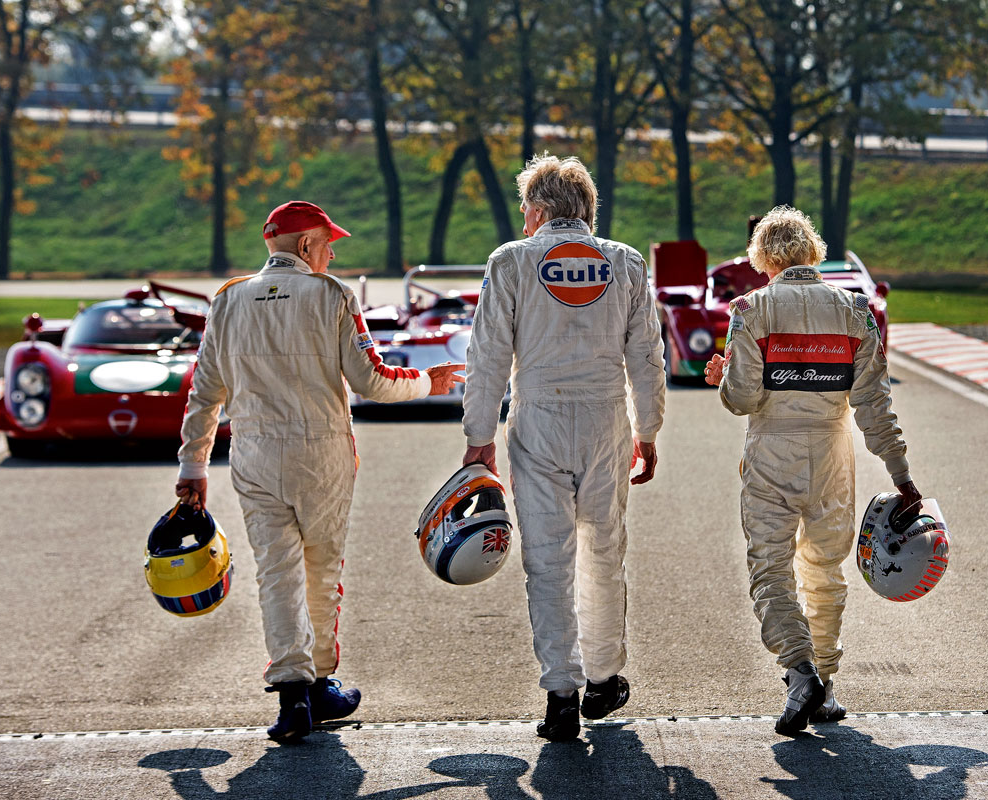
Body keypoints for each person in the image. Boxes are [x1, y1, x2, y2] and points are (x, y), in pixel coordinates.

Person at [175, 200, 465, 743]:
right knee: (322, 569)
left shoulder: (228, 300)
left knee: (276, 572)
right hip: (321, 450)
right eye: (327, 243)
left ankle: (292, 695)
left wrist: (193, 464)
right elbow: (373, 380)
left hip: (253, 451)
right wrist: (430, 381)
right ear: (306, 245)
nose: (331, 253)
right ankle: (320, 683)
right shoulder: (332, 295)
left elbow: (204, 391)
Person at [462, 154, 666, 741]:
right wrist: (648, 429)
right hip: (607, 420)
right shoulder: (624, 263)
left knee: (547, 562)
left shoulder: (511, 262)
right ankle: (604, 677)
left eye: (528, 210)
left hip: (539, 419)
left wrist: (478, 438)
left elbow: (487, 357)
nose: (525, 221)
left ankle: (560, 694)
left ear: (544, 210)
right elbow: (647, 356)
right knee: (603, 553)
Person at [704, 205, 922, 736]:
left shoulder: (751, 308)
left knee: (772, 570)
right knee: (824, 570)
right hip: (833, 453)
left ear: (761, 258)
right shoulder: (854, 309)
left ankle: (799, 673)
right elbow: (874, 403)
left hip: (770, 454)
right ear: (813, 252)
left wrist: (724, 375)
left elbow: (743, 398)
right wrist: (900, 474)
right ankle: (825, 682)